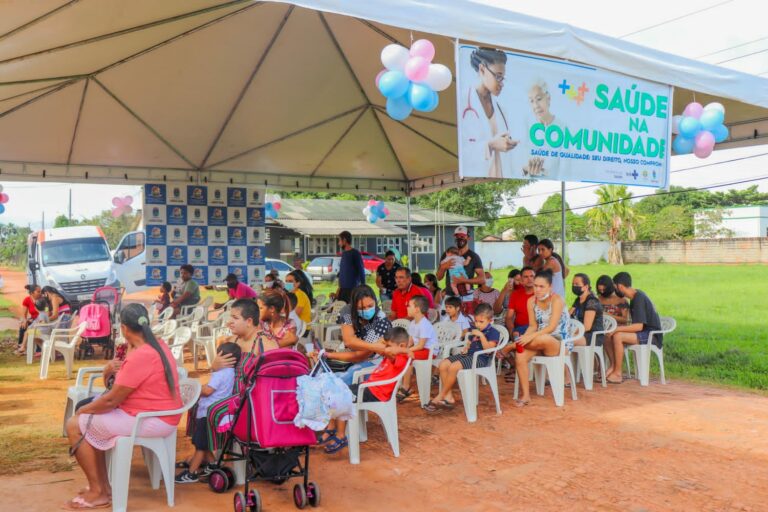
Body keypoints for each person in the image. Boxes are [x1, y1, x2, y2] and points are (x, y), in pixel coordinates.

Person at [63, 304, 181, 510]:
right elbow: (113, 390)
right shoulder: (156, 344)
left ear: (124, 328)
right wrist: (108, 370)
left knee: (75, 424)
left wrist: (83, 411)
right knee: (89, 420)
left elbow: (111, 400)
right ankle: (102, 487)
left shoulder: (141, 354)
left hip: (151, 419)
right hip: (153, 415)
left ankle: (98, 491)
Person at [321, 327, 409, 454]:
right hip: (369, 388)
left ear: (401, 346)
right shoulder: (393, 354)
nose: (385, 348)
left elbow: (395, 351)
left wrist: (397, 348)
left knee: (342, 396)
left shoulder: (401, 357)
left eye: (388, 346)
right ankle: (332, 427)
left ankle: (341, 436)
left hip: (376, 393)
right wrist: (384, 343)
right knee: (337, 390)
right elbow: (387, 349)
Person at [175, 342, 240, 484]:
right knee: (203, 443)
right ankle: (212, 464)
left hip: (206, 414)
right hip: (214, 413)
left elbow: (208, 391)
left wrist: (197, 388)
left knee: (200, 446)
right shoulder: (231, 373)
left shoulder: (220, 374)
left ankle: (191, 473)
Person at [425, 303, 500, 412]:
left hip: (481, 359)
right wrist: (466, 347)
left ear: (490, 320)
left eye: (481, 322)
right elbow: (470, 343)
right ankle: (449, 397)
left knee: (454, 367)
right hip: (469, 356)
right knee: (443, 364)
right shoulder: (476, 330)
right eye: (476, 321)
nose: (478, 324)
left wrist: (482, 336)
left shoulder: (493, 332)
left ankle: (441, 395)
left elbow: (488, 350)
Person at [512, 270, 570, 407]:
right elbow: (533, 325)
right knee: (520, 356)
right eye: (535, 286)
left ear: (550, 287)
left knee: (543, 338)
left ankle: (511, 345)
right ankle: (525, 396)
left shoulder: (557, 300)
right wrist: (526, 337)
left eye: (541, 286)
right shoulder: (531, 301)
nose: (537, 289)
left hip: (558, 342)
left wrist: (528, 338)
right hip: (538, 340)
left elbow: (551, 327)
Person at [461, 47, 517, 178]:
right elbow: (460, 152)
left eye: (503, 78)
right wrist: (490, 145)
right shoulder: (462, 102)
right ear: (482, 69)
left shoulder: (502, 110)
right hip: (474, 183)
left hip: (499, 181)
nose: (501, 83)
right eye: (498, 76)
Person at [323, 285, 392, 385]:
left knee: (336, 382)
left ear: (375, 301)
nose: (367, 310)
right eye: (361, 308)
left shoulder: (381, 321)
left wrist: (329, 355)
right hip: (355, 358)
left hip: (375, 362)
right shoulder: (347, 311)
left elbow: (360, 356)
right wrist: (374, 346)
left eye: (370, 306)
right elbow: (349, 341)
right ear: (354, 306)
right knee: (324, 372)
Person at [604, 272, 663, 384]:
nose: (614, 290)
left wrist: (617, 329)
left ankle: (618, 373)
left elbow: (639, 326)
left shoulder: (638, 299)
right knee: (608, 336)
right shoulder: (636, 296)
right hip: (644, 332)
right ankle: (613, 366)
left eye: (615, 287)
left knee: (618, 336)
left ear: (620, 286)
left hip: (651, 335)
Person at [397, 295, 438, 402]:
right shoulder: (412, 323)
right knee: (400, 355)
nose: (407, 308)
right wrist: (402, 349)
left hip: (429, 351)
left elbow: (421, 345)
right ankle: (400, 384)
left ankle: (406, 387)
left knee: (408, 357)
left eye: (409, 306)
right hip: (420, 349)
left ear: (417, 309)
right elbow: (410, 342)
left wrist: (406, 351)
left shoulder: (424, 324)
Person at [436, 226, 485, 314]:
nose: (459, 239)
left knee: (466, 323)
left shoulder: (474, 257)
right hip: (449, 296)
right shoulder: (447, 254)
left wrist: (464, 280)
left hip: (467, 297)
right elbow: (439, 277)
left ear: (468, 238)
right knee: (445, 324)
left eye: (462, 236)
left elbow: (482, 279)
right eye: (457, 237)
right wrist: (443, 267)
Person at [569, 274, 604, 348]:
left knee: (566, 341)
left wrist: (570, 332)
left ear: (586, 287)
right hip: (580, 333)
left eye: (577, 284)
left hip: (592, 335)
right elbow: (568, 315)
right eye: (573, 284)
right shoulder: (578, 300)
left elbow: (587, 327)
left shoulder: (591, 301)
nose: (574, 286)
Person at [502, 266, 536, 342]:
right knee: (518, 340)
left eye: (532, 276)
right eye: (526, 277)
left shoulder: (540, 293)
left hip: (537, 330)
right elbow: (509, 317)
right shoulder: (515, 294)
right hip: (519, 330)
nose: (529, 279)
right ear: (521, 280)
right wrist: (512, 332)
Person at [334, 230, 365, 304]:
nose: (338, 243)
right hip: (342, 289)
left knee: (351, 311)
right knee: (341, 311)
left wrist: (363, 287)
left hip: (352, 289)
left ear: (344, 240)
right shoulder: (344, 254)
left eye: (339, 241)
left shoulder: (355, 253)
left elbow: (361, 271)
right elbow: (342, 271)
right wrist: (339, 287)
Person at [15, 284, 41, 355]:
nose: (40, 293)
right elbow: (24, 314)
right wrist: (25, 320)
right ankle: (21, 346)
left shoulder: (43, 300)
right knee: (23, 326)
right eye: (38, 292)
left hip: (40, 320)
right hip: (33, 319)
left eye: (40, 291)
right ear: (32, 293)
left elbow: (45, 313)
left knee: (34, 329)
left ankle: (39, 348)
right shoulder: (27, 300)